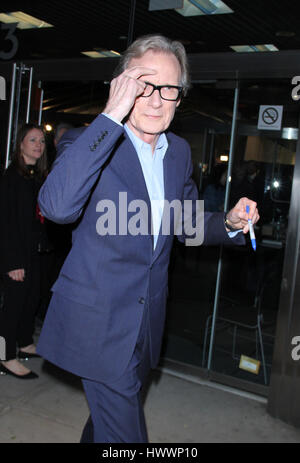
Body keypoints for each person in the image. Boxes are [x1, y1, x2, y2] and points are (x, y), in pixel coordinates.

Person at [36, 34, 259, 442]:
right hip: (98, 324)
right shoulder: (90, 141)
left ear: (180, 97)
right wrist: (110, 116)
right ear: (123, 86)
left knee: (108, 423)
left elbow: (187, 222)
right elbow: (56, 207)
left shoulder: (177, 153)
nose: (156, 99)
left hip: (146, 322)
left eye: (168, 88)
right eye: (143, 85)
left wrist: (228, 222)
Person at [0, 123, 48, 379]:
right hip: (16, 254)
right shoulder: (12, 178)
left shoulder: (33, 176)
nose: (39, 145)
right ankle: (5, 356)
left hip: (32, 251)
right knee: (13, 306)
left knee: (31, 298)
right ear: (20, 145)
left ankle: (25, 342)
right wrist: (12, 262)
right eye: (32, 140)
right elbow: (6, 223)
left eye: (41, 141)